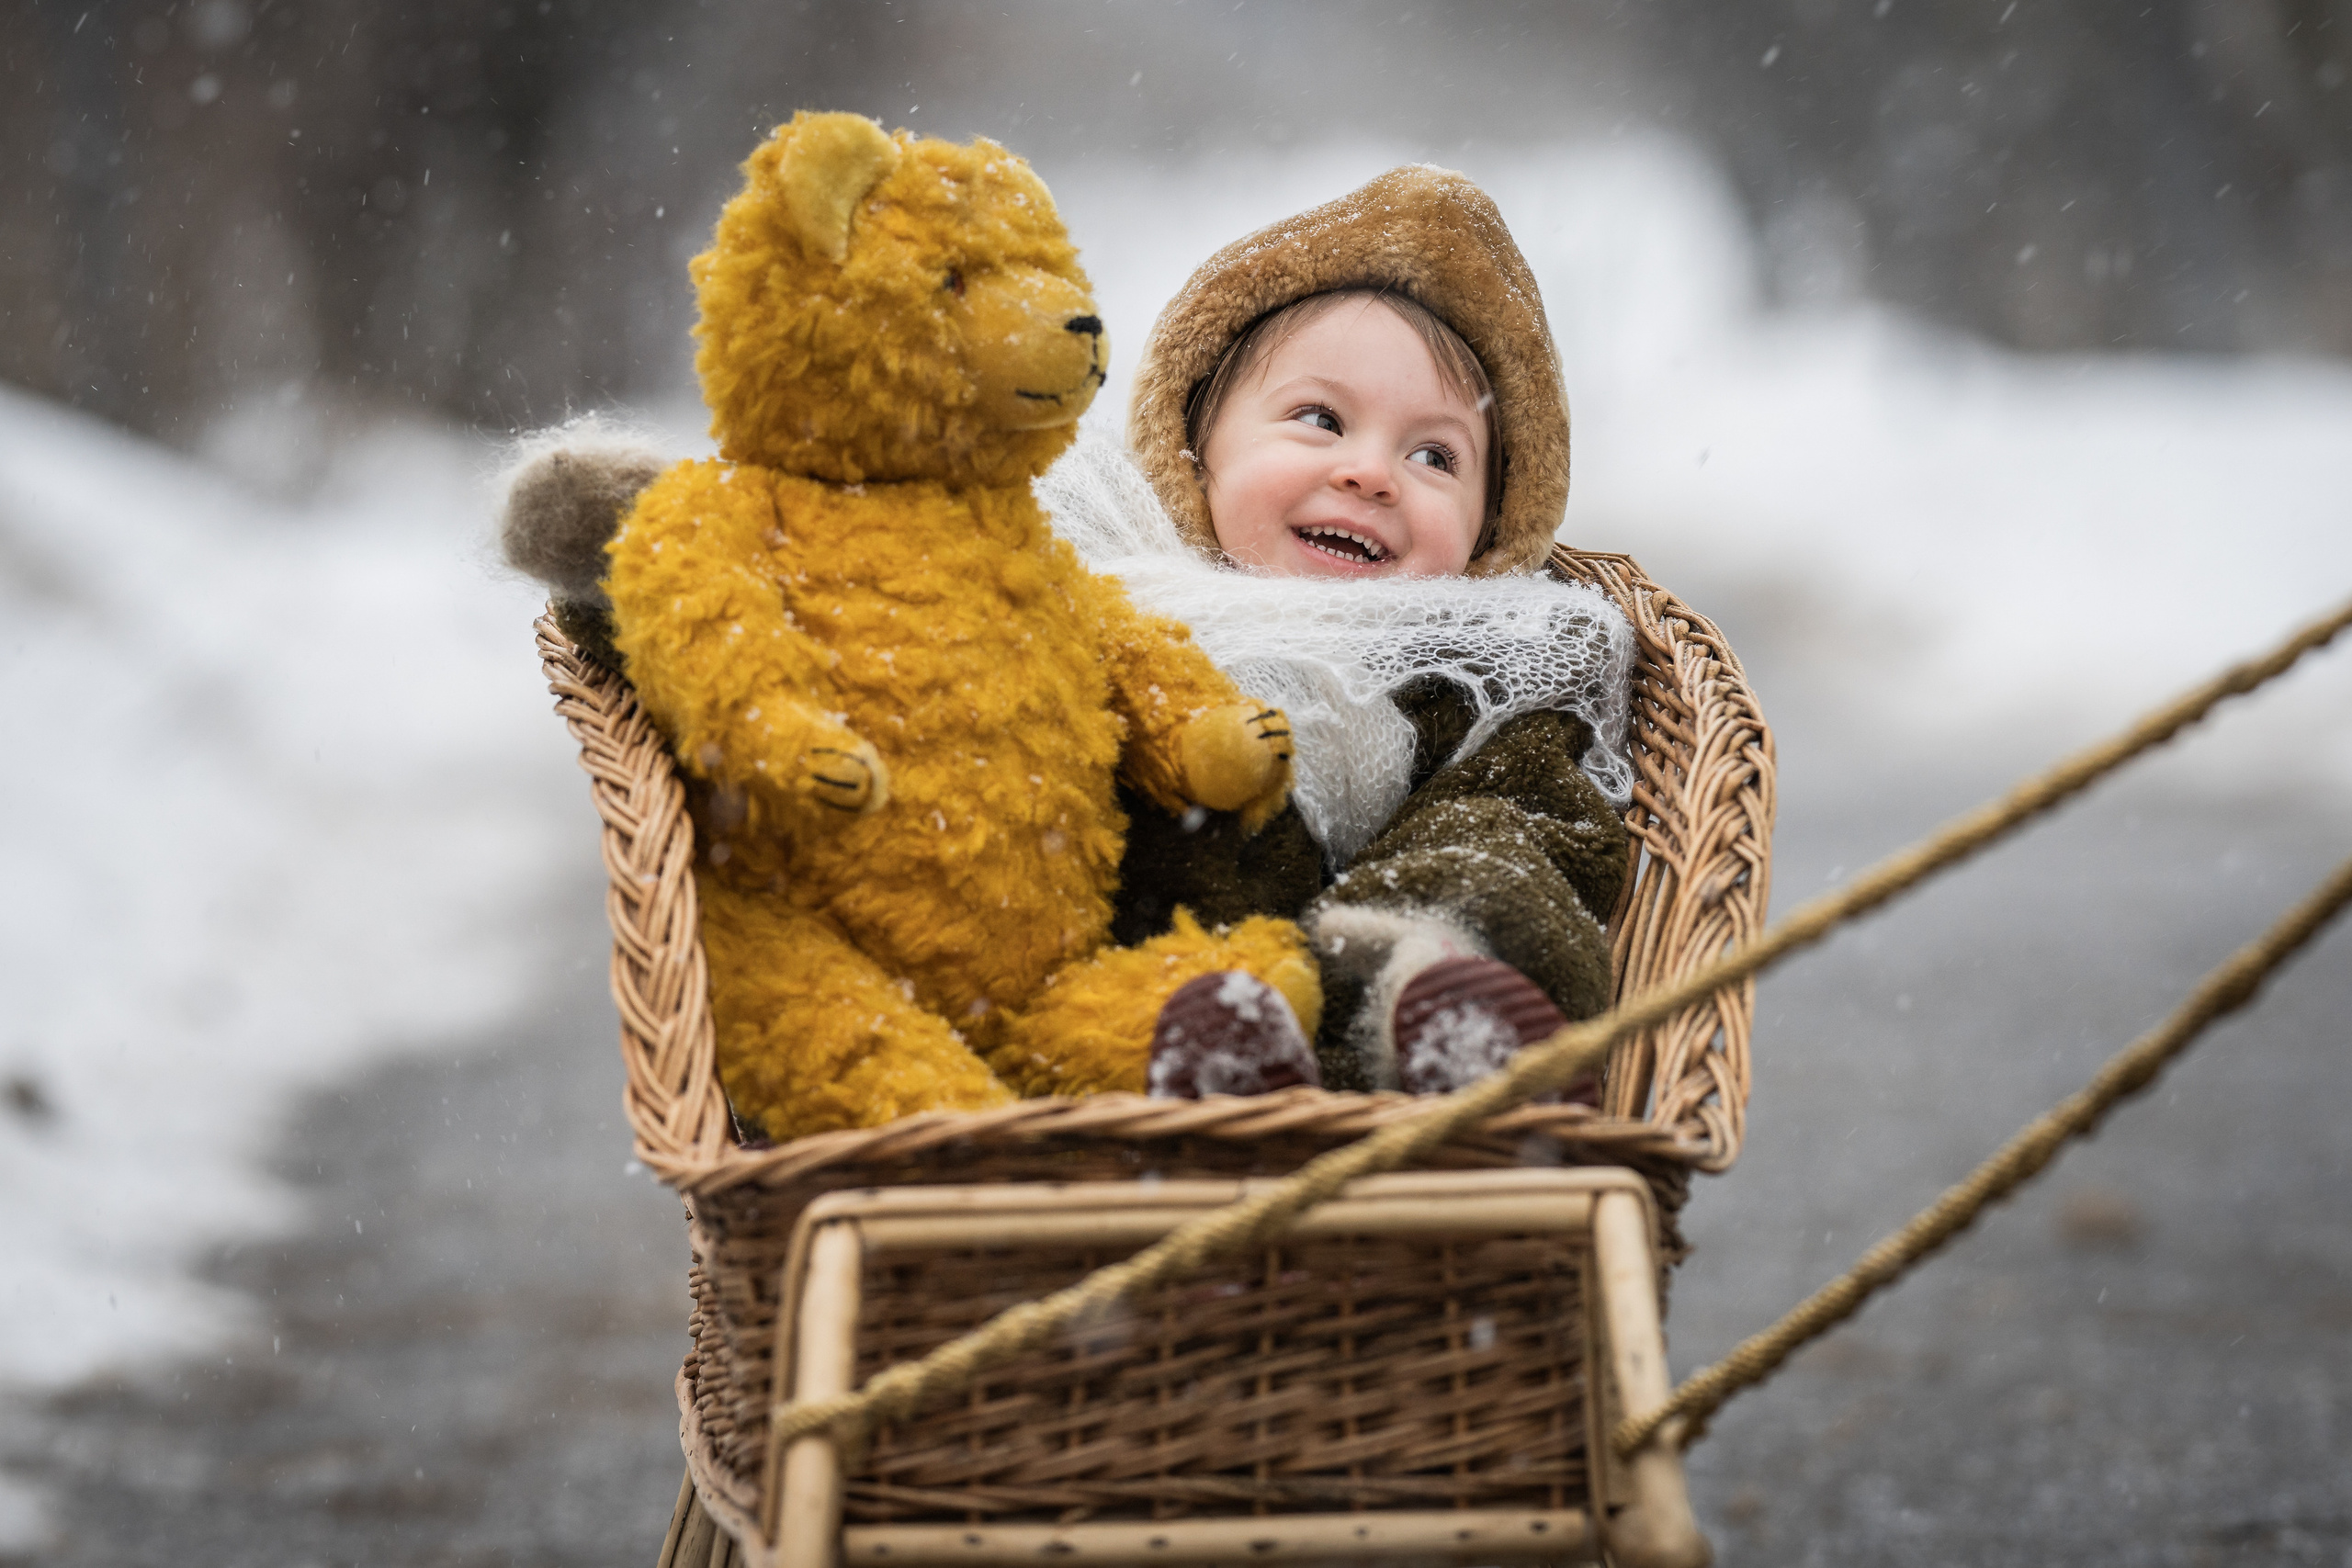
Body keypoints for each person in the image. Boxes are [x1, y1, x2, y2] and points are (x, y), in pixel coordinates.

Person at [1036, 164, 1636, 1102]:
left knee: (1508, 821)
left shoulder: (1478, 669)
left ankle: (1441, 1003)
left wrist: (1434, 939)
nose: (1370, 473)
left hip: (1370, 1057)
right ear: (1191, 451)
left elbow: (1555, 838)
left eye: (1434, 455)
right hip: (1110, 1016)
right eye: (1320, 420)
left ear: (1489, 532)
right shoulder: (1110, 590)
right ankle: (1196, 1036)